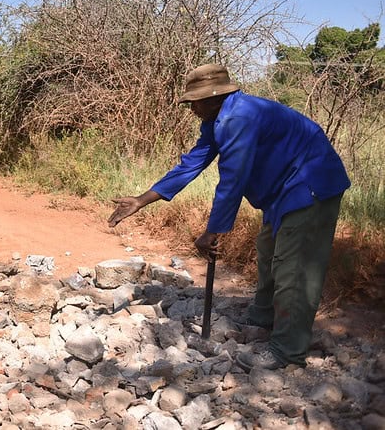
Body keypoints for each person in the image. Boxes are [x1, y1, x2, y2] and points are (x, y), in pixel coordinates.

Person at [107, 63, 350, 371]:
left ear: (212, 98)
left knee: (293, 268)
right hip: (283, 192)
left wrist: (213, 231)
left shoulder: (239, 117)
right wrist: (142, 200)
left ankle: (287, 352)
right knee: (268, 250)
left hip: (310, 186)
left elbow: (233, 178)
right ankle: (262, 318)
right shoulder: (218, 119)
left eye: (194, 101)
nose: (191, 108)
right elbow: (191, 164)